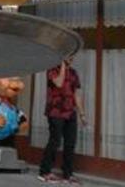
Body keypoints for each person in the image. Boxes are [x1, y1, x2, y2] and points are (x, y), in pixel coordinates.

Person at [38, 56, 87, 185]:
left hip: (70, 112)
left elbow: (76, 94)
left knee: (70, 143)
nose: (70, 59)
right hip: (55, 111)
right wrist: (63, 65)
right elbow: (59, 83)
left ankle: (68, 174)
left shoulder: (74, 73)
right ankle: (44, 172)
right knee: (55, 141)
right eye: (67, 57)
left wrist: (82, 114)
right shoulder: (52, 70)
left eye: (72, 57)